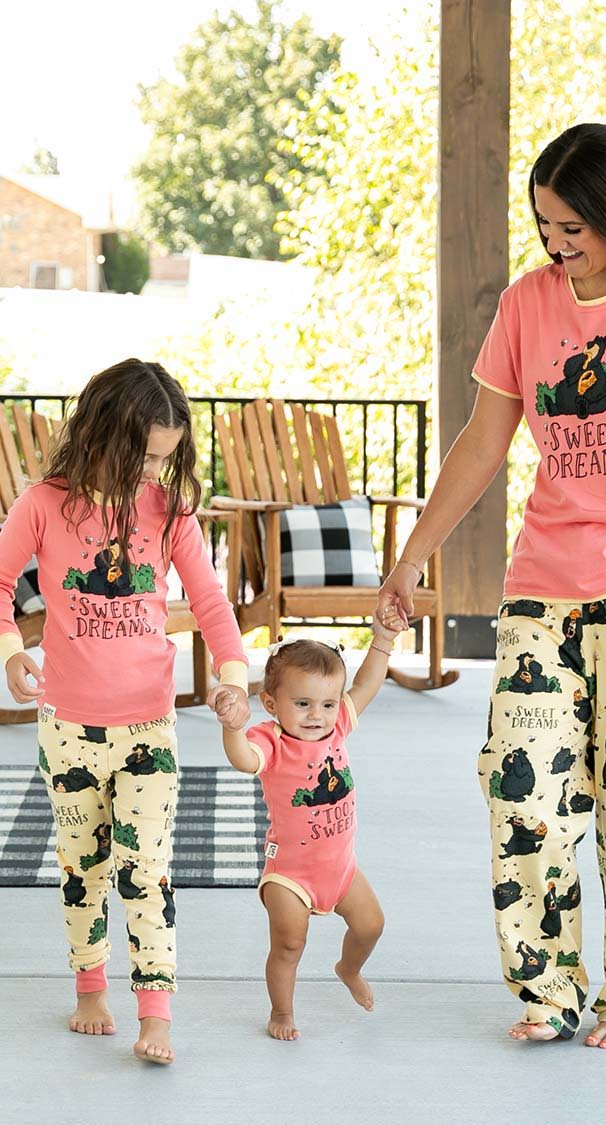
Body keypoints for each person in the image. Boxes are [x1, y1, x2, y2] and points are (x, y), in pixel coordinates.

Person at [377, 123, 606, 1049]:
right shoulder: (527, 304)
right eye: (545, 226)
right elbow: (482, 442)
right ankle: (547, 988)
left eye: (573, 227)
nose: (557, 244)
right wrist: (412, 557)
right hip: (543, 589)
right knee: (523, 794)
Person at [0, 359, 250, 1065]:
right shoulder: (42, 504)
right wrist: (12, 650)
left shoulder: (167, 512)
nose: (151, 471)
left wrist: (233, 679)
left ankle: (155, 1009)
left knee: (147, 867)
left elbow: (210, 603)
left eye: (163, 459)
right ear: (100, 433)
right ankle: (89, 988)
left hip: (148, 726)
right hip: (69, 728)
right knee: (83, 866)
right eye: (141, 456)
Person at [217, 620, 403, 1041]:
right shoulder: (271, 741)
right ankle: (281, 1011)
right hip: (290, 875)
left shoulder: (338, 725)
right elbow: (243, 759)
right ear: (270, 702)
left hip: (340, 868)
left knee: (371, 925)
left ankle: (348, 969)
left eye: (327, 704)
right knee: (289, 945)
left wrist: (383, 640)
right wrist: (232, 728)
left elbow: (367, 684)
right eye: (302, 704)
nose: (317, 715)